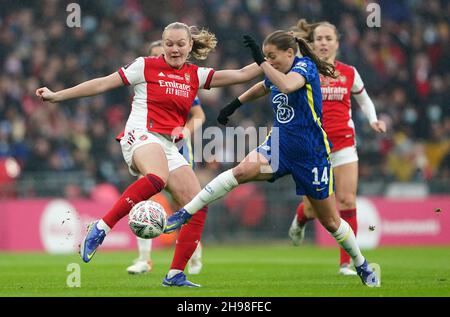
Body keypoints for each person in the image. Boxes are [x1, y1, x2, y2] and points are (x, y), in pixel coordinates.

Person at [36, 22, 263, 287]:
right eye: (169, 44)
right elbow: (102, 84)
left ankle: (175, 274)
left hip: (167, 145)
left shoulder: (196, 75)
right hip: (141, 134)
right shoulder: (145, 66)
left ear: (190, 46)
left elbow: (244, 74)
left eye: (180, 44)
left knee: (197, 204)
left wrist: (266, 57)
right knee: (157, 177)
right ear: (162, 44)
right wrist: (57, 96)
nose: (174, 49)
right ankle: (100, 228)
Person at [165, 30, 380, 288]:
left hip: (312, 155)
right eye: (266, 56)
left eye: (272, 56)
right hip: (278, 147)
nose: (268, 61)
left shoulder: (305, 67)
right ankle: (186, 212)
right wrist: (234, 104)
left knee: (332, 221)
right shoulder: (275, 71)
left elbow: (287, 85)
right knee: (241, 171)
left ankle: (361, 264)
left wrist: (262, 63)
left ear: (289, 53)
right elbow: (262, 86)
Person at [287, 20, 386, 276]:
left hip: (344, 144)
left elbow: (364, 100)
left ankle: (346, 263)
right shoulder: (304, 69)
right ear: (312, 42)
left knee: (346, 200)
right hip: (313, 147)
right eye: (318, 38)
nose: (323, 42)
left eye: (328, 38)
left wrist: (374, 119)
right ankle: (301, 217)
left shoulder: (349, 72)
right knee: (313, 208)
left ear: (337, 43)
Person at [125, 40, 204, 275]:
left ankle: (193, 251)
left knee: (185, 204)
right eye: (157, 55)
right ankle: (144, 259)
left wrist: (185, 132)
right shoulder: (147, 80)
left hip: (176, 147)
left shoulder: (183, 80)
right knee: (145, 196)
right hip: (149, 141)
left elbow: (199, 115)